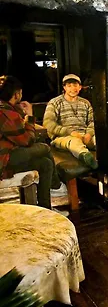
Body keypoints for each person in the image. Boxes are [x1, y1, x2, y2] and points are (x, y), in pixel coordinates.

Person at [0, 76, 61, 209]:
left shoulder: (6, 108)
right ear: (17, 94)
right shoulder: (6, 113)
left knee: (46, 164)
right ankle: (57, 184)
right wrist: (31, 116)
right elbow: (27, 140)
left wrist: (20, 111)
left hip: (8, 156)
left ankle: (46, 209)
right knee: (45, 148)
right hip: (4, 160)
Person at [43, 74, 98, 169]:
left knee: (100, 140)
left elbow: (92, 121)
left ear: (80, 87)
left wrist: (89, 134)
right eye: (69, 86)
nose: (73, 88)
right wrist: (70, 132)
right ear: (64, 88)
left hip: (84, 135)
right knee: (74, 142)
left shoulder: (85, 103)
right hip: (64, 137)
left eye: (75, 85)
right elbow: (48, 124)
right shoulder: (54, 102)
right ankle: (87, 158)